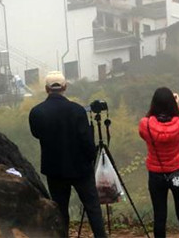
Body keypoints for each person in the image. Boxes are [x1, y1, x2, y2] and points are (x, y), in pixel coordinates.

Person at [29, 71, 106, 237]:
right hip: (81, 168)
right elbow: (86, 141)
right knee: (93, 208)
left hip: (54, 169)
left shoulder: (37, 112)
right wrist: (91, 158)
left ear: (46, 89)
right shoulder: (77, 110)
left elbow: (36, 134)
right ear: (65, 87)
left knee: (60, 211)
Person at [138, 87, 179, 238]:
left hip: (156, 175)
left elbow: (143, 134)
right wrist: (178, 107)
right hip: (178, 172)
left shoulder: (145, 124)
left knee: (160, 215)